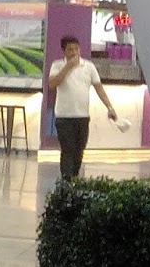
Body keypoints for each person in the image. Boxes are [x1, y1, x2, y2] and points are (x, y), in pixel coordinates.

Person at [48, 35, 117, 180]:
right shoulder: (57, 65)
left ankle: (75, 177)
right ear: (63, 51)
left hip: (82, 116)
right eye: (70, 49)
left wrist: (110, 107)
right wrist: (68, 67)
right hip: (64, 117)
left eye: (76, 49)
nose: (74, 52)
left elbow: (99, 88)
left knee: (79, 150)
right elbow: (52, 84)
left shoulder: (89, 66)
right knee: (68, 149)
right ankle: (66, 180)